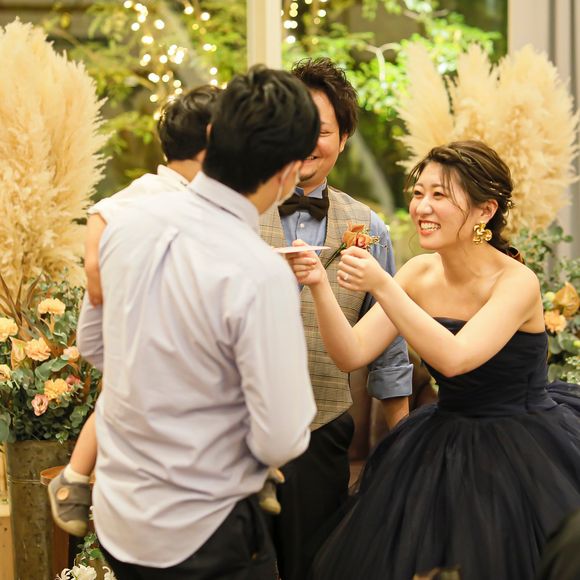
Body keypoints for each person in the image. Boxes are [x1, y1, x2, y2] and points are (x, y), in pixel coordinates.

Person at [288, 140, 580, 579]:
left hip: (523, 445)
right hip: (443, 437)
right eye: (419, 192)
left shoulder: (516, 282)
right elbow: (351, 353)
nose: (422, 206)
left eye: (439, 195)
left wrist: (382, 285)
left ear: (485, 211)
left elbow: (456, 358)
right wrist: (318, 284)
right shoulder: (418, 273)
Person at [74, 65, 320, 579]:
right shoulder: (259, 272)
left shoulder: (124, 225)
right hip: (203, 530)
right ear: (287, 173)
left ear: (213, 136)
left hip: (119, 517)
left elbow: (95, 347)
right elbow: (280, 438)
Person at [259, 57, 413, 580]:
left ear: (343, 139)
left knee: (313, 567)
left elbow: (390, 345)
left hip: (320, 429)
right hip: (231, 431)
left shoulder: (368, 227)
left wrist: (401, 442)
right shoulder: (233, 213)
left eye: (321, 131)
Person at [47, 85, 221, 538]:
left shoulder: (208, 204)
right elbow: (101, 211)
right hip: (144, 331)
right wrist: (93, 263)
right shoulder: (154, 192)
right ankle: (74, 476)